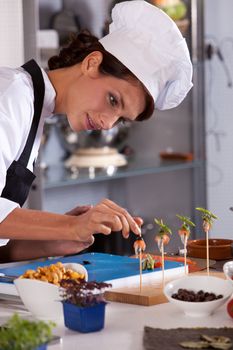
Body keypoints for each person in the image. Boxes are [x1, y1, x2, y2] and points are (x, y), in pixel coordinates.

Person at [0, 0, 193, 263]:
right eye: (113, 100)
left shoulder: (35, 111)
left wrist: (57, 241)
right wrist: (70, 225)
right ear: (92, 63)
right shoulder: (12, 94)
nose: (107, 124)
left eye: (121, 119)